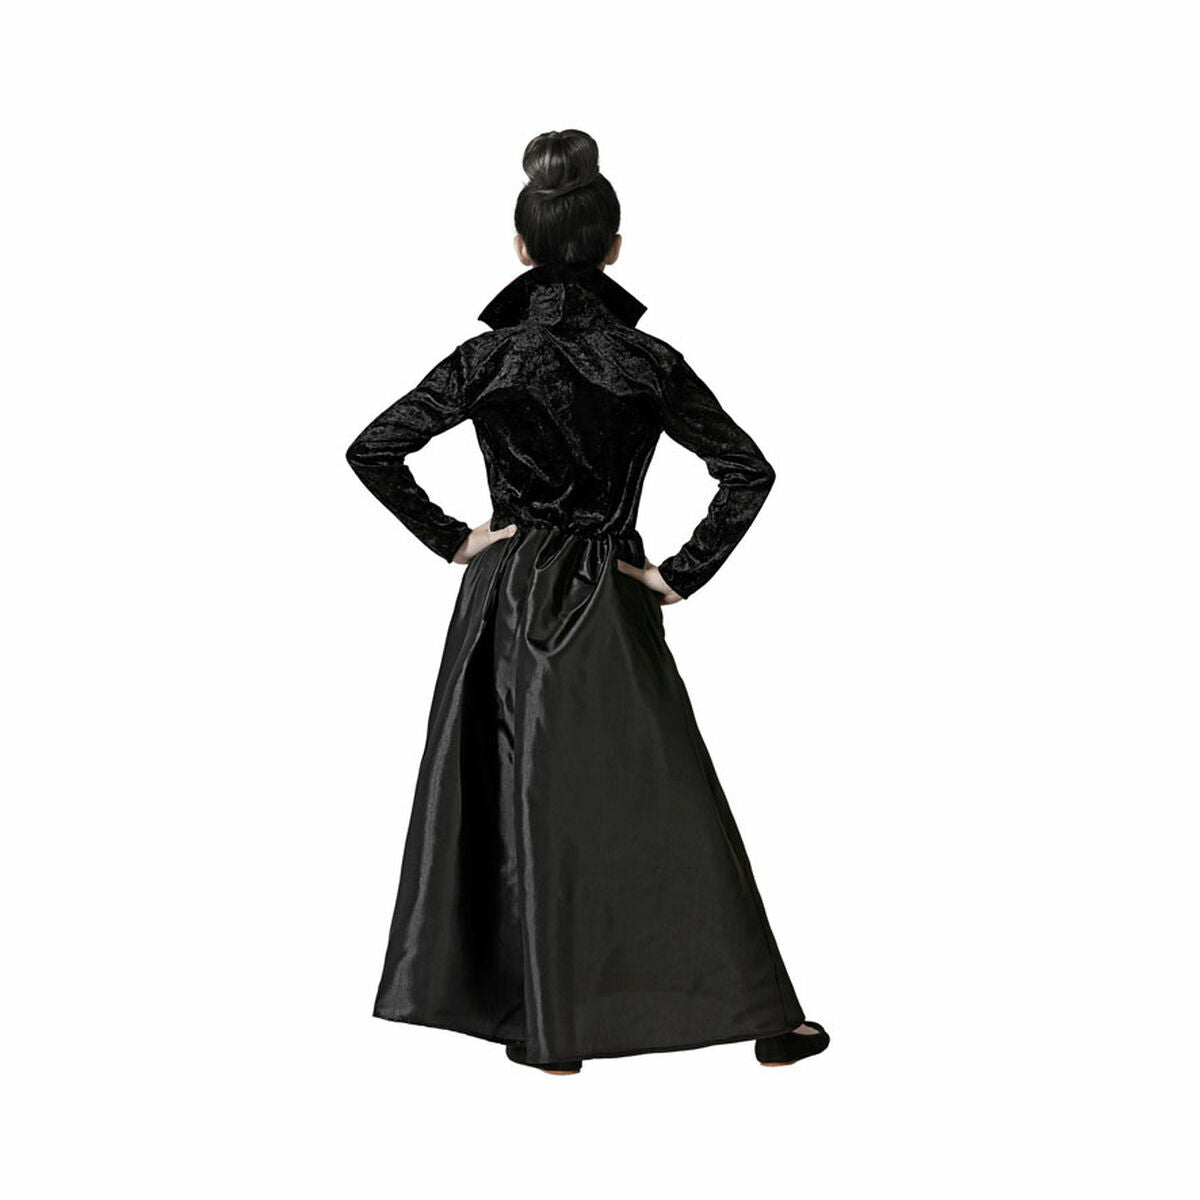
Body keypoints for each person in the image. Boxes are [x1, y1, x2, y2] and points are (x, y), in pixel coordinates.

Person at [345, 129, 829, 1075]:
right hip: (607, 594)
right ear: (613, 248)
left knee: (515, 799)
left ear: (520, 246)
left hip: (506, 599)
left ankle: (547, 1031)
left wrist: (457, 539)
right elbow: (748, 470)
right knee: (664, 800)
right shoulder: (648, 362)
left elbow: (374, 449)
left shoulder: (487, 358)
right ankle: (762, 1019)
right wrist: (678, 573)